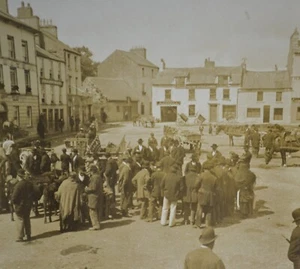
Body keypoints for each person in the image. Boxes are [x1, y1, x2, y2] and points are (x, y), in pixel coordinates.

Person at [11, 169, 37, 242]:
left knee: (19, 219)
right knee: (27, 219)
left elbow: (14, 197)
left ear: (19, 176)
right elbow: (34, 193)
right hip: (28, 205)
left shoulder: (18, 185)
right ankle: (28, 234)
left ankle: (20, 236)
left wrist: (13, 202)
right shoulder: (29, 184)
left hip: (20, 205)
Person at [195, 161, 217, 228]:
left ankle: (198, 224)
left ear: (205, 168)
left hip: (201, 194)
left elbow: (196, 185)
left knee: (200, 209)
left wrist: (197, 190)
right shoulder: (214, 177)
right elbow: (215, 188)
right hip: (210, 195)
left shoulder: (201, 175)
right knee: (209, 211)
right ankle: (208, 224)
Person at [85, 165, 103, 231]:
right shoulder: (98, 176)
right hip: (98, 195)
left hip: (93, 196)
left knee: (92, 211)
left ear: (92, 171)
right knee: (97, 210)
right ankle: (98, 223)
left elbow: (93, 188)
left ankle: (95, 225)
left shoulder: (94, 177)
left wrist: (86, 189)